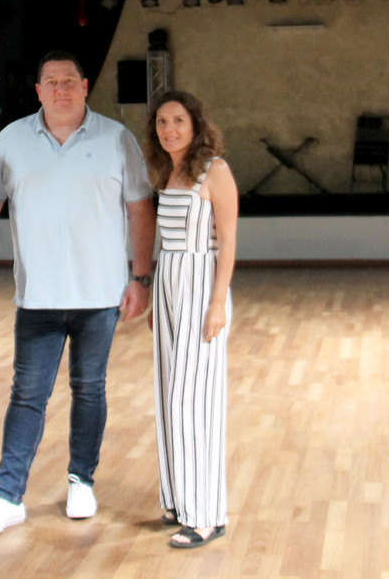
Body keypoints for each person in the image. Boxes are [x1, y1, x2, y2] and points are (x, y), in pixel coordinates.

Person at [0, 50, 156, 537]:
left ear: (86, 85)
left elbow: (139, 208)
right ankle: (8, 496)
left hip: (100, 295)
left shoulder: (116, 138)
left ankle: (81, 481)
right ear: (38, 91)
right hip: (38, 297)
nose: (61, 90)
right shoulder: (11, 140)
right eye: (51, 82)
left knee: (88, 389)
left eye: (69, 80)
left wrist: (140, 278)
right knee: (27, 395)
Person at [144, 90, 238, 549]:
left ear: (195, 124)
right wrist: (156, 299)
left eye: (178, 120)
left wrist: (218, 302)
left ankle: (207, 514)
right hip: (169, 285)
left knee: (193, 400)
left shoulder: (214, 171)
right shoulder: (166, 172)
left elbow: (229, 242)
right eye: (162, 122)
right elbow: (165, 240)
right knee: (167, 394)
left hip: (202, 285)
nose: (169, 130)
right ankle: (179, 501)